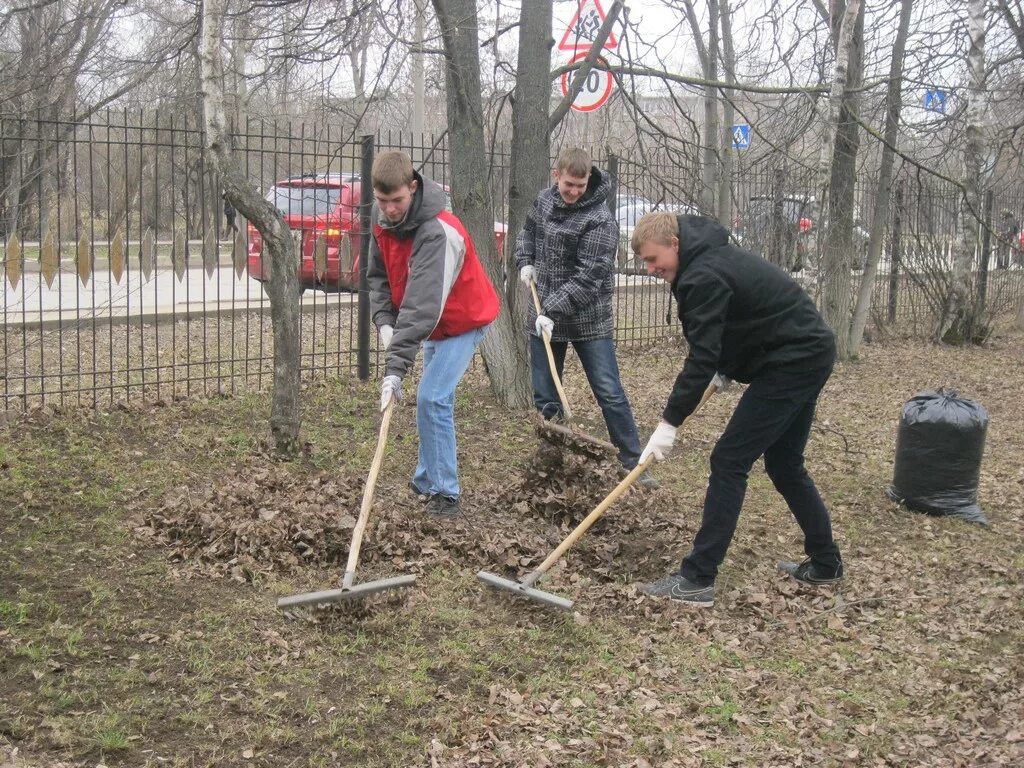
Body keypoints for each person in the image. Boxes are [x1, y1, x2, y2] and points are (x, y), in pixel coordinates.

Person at [631, 211, 843, 607]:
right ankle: (826, 563)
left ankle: (697, 579)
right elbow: (744, 319)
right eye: (645, 262)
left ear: (674, 244)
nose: (651, 268)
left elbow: (702, 355)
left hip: (793, 361)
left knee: (729, 459)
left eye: (653, 259)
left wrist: (669, 422)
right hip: (804, 350)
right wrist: (727, 368)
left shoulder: (702, 275)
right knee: (784, 465)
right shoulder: (708, 258)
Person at [514, 147, 657, 489]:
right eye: (569, 184)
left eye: (580, 185)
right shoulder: (544, 202)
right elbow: (528, 231)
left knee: (608, 391)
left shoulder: (600, 219)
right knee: (545, 394)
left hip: (588, 319)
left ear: (588, 179)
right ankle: (553, 459)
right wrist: (525, 260)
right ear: (556, 175)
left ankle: (632, 463)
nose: (575, 191)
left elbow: (590, 276)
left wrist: (551, 309)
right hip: (545, 315)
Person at [367, 151, 499, 518]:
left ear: (413, 187)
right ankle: (426, 479)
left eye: (397, 201)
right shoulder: (381, 223)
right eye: (382, 201)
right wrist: (384, 322)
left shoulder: (439, 230)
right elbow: (377, 279)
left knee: (432, 398)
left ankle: (446, 492)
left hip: (464, 319)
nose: (390, 209)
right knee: (432, 399)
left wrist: (394, 370)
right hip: (432, 323)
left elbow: (423, 304)